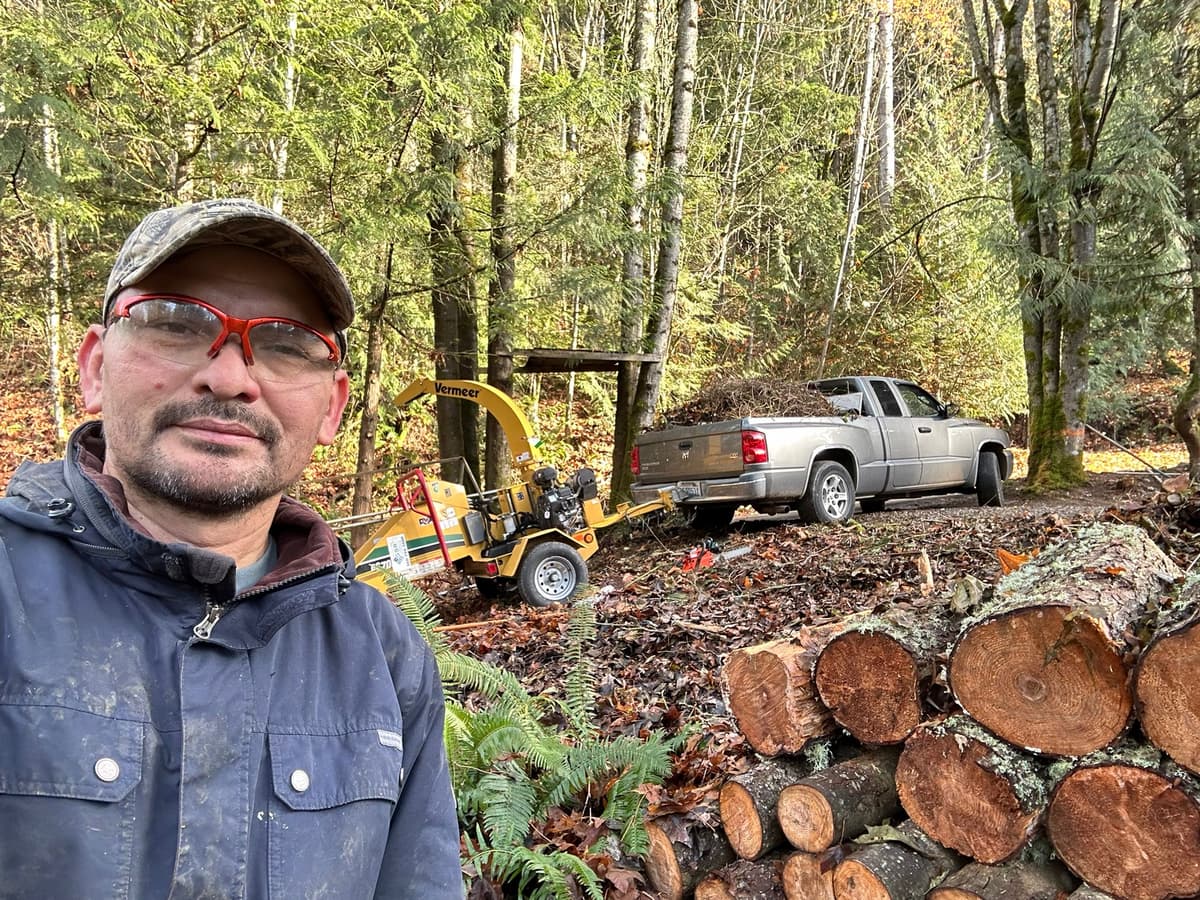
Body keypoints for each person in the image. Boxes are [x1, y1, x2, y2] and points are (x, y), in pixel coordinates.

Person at [0, 198, 463, 898]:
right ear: (94, 367)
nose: (230, 378)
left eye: (286, 344)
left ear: (333, 406)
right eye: (176, 323)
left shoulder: (385, 657)